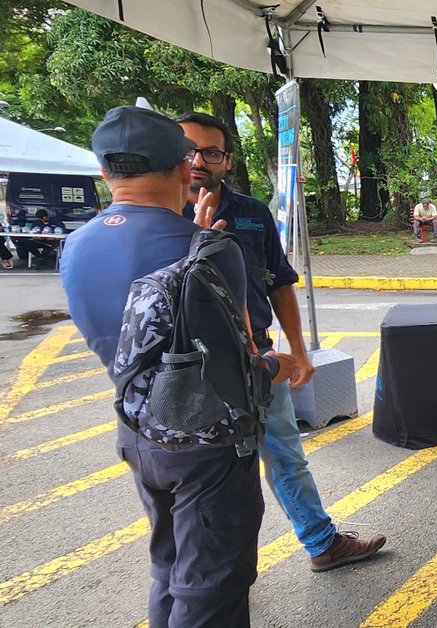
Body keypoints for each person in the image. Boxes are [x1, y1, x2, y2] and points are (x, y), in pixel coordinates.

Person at [61, 106, 297, 627]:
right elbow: (242, 365)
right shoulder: (209, 248)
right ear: (181, 167)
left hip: (138, 435)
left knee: (168, 570)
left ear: (105, 173)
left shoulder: (74, 247)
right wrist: (281, 364)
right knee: (212, 586)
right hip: (207, 446)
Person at [177, 112, 386, 573]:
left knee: (287, 459)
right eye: (187, 149)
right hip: (195, 378)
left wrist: (299, 350)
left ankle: (322, 544)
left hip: (261, 366)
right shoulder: (160, 219)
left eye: (210, 152)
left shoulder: (252, 216)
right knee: (210, 476)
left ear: (226, 161)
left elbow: (280, 284)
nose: (197, 160)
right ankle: (216, 571)